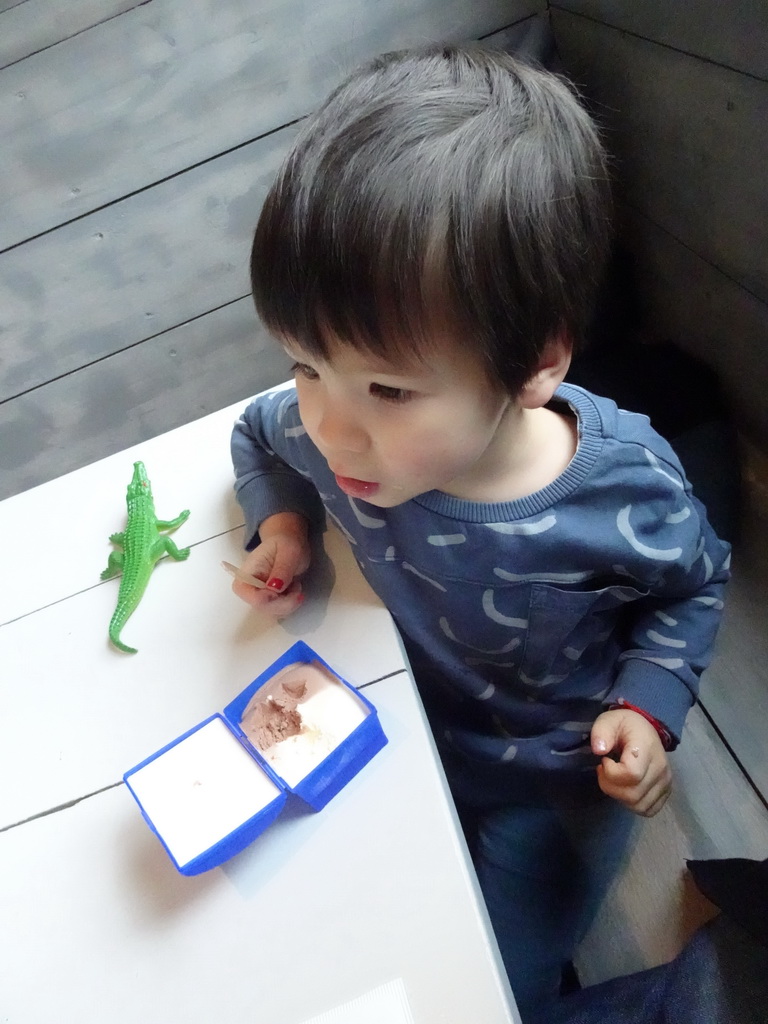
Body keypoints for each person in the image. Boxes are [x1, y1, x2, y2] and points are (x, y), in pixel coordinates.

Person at [229, 45, 730, 1021]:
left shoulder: (624, 489)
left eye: (386, 388)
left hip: (554, 786)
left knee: (492, 984)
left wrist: (649, 702)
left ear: (536, 363)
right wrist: (282, 522)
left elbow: (692, 586)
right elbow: (257, 433)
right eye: (304, 364)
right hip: (407, 723)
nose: (328, 424)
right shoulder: (324, 428)